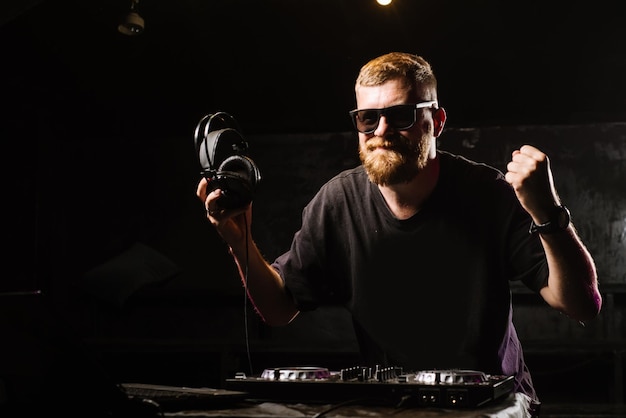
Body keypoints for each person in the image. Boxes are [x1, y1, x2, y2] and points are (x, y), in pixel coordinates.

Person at [196, 52, 602, 415]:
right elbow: (280, 309)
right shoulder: (337, 202)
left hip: (494, 404)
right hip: (392, 406)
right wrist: (238, 240)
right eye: (368, 118)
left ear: (436, 121)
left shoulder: (489, 193)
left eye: (402, 115)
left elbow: (582, 305)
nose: (382, 130)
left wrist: (547, 211)